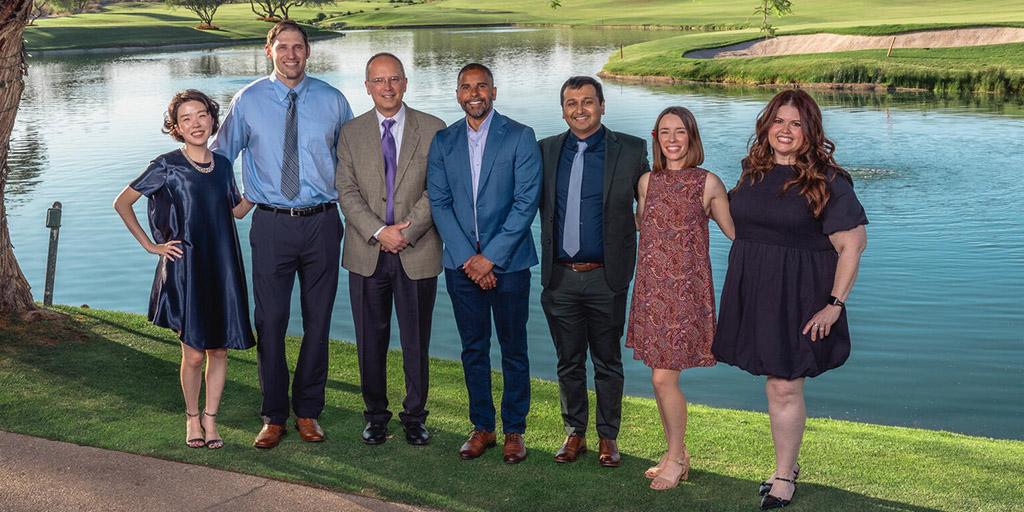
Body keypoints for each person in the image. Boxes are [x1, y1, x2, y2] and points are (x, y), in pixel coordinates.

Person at [711, 89, 868, 510]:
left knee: (784, 386)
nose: (785, 130)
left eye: (796, 123)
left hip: (800, 297)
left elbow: (853, 245)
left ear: (810, 132)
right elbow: (736, 225)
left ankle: (784, 475)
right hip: (756, 292)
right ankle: (786, 465)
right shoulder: (753, 172)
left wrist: (834, 305)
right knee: (773, 384)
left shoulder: (828, 180)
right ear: (767, 126)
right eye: (779, 121)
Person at [211, 20, 353, 449]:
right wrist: (240, 200)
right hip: (271, 224)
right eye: (283, 47)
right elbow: (219, 159)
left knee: (318, 320)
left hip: (323, 223)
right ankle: (274, 415)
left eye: (299, 47)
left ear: (308, 52)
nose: (292, 55)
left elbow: (352, 162)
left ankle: (308, 411)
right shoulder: (249, 100)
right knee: (270, 322)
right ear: (268, 51)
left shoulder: (333, 100)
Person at [113, 89, 256, 450]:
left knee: (219, 350)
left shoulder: (223, 164)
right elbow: (123, 202)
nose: (196, 123)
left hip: (222, 264)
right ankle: (191, 418)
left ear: (212, 118)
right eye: (186, 118)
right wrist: (152, 246)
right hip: (185, 267)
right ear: (175, 127)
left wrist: (260, 189)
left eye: (202, 115)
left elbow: (234, 211)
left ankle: (211, 420)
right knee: (193, 353)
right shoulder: (166, 165)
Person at [427, 62, 541, 464]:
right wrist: (469, 259)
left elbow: (526, 203)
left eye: (481, 86)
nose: (474, 93)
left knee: (514, 349)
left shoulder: (521, 137)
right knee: (473, 349)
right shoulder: (443, 141)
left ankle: (514, 430)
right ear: (457, 94)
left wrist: (489, 258)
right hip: (460, 266)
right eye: (466, 87)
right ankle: (482, 427)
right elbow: (439, 204)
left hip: (509, 265)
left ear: (494, 91)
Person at [538, 76, 648, 467]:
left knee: (607, 361)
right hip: (560, 276)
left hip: (607, 276)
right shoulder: (546, 150)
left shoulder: (632, 151)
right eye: (571, 103)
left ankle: (608, 437)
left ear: (602, 105)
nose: (579, 109)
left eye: (587, 101)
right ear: (563, 108)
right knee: (568, 361)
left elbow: (653, 205)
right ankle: (574, 434)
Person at [336, 53, 445, 446]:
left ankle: (415, 417)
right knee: (370, 340)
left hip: (417, 252)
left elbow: (439, 189)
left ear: (405, 82)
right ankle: (375, 416)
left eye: (394, 78)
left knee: (416, 340)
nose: (387, 86)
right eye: (378, 80)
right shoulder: (350, 132)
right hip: (366, 254)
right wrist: (380, 231)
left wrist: (407, 231)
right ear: (367, 86)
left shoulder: (434, 129)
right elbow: (345, 192)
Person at [625, 106, 735, 490]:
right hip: (651, 293)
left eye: (680, 132)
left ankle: (676, 458)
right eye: (664, 132)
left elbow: (737, 234)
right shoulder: (645, 182)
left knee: (661, 379)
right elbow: (645, 229)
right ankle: (677, 453)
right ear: (656, 138)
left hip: (686, 295)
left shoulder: (708, 183)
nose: (672, 139)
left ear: (692, 136)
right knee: (660, 378)